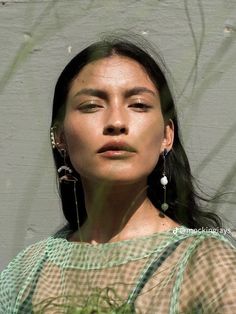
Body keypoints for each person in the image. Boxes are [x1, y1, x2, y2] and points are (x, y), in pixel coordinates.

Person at [0, 34, 236, 313]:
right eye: (91, 106)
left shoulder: (208, 265)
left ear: (166, 135)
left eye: (138, 105)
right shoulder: (27, 274)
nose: (116, 122)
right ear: (59, 136)